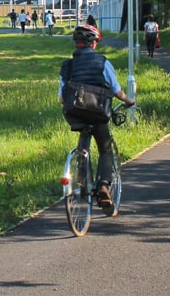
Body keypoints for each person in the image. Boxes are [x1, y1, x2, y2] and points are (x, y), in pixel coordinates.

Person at [58, 24, 135, 205]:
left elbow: (62, 99)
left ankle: (82, 174)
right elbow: (116, 90)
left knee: (83, 134)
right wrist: (128, 100)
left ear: (76, 44)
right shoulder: (103, 62)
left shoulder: (67, 66)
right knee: (105, 149)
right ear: (93, 44)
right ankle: (103, 187)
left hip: (74, 114)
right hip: (97, 113)